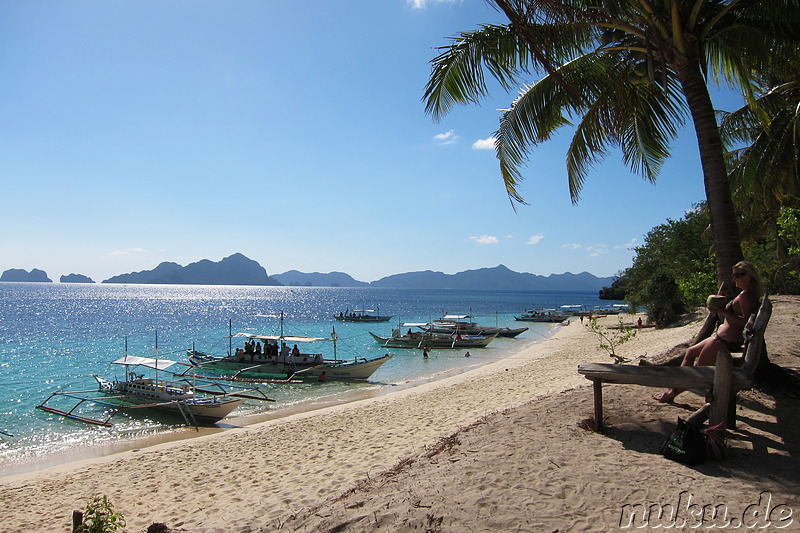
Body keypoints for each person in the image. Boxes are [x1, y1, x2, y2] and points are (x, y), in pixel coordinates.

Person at [653, 261, 762, 403]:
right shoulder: (747, 294)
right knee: (690, 352)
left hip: (724, 342)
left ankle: (671, 394)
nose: (733, 279)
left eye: (737, 275)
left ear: (748, 276)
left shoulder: (745, 296)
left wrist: (723, 311)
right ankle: (675, 387)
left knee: (698, 371)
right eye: (733, 275)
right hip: (721, 338)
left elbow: (744, 322)